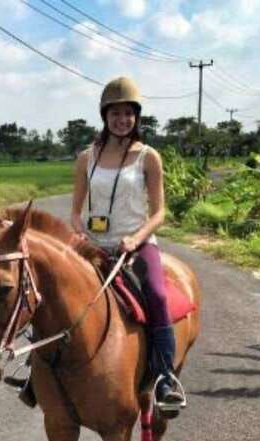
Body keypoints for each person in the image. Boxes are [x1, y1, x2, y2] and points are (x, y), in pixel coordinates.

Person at [69, 76, 185, 409]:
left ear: (136, 116)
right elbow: (75, 210)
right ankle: (36, 373)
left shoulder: (148, 157)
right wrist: (78, 233)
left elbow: (160, 212)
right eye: (115, 113)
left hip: (135, 243)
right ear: (104, 116)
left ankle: (165, 377)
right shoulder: (85, 158)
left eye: (128, 113)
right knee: (53, 286)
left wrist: (136, 238)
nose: (122, 120)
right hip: (91, 244)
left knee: (158, 294)